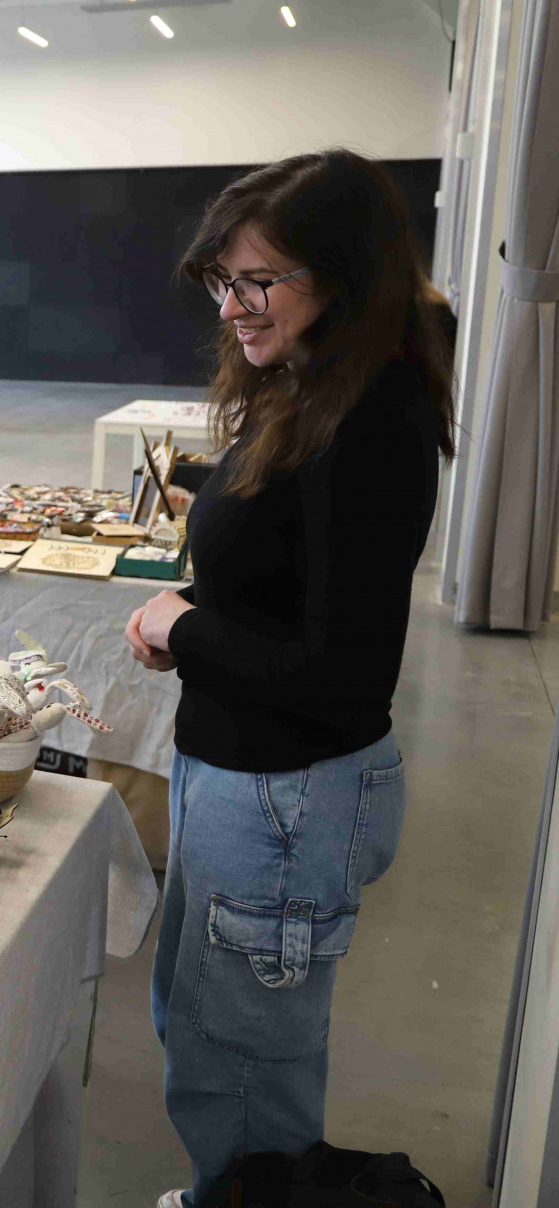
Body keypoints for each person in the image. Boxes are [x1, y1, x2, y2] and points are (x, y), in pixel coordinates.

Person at [125, 150, 455, 1207]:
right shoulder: (307, 387)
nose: (231, 307)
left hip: (285, 793)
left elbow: (338, 674)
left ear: (343, 275)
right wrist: (192, 615)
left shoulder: (371, 422)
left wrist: (184, 625)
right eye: (222, 280)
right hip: (244, 775)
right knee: (207, 1029)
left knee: (242, 1063)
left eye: (258, 281)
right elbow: (284, 582)